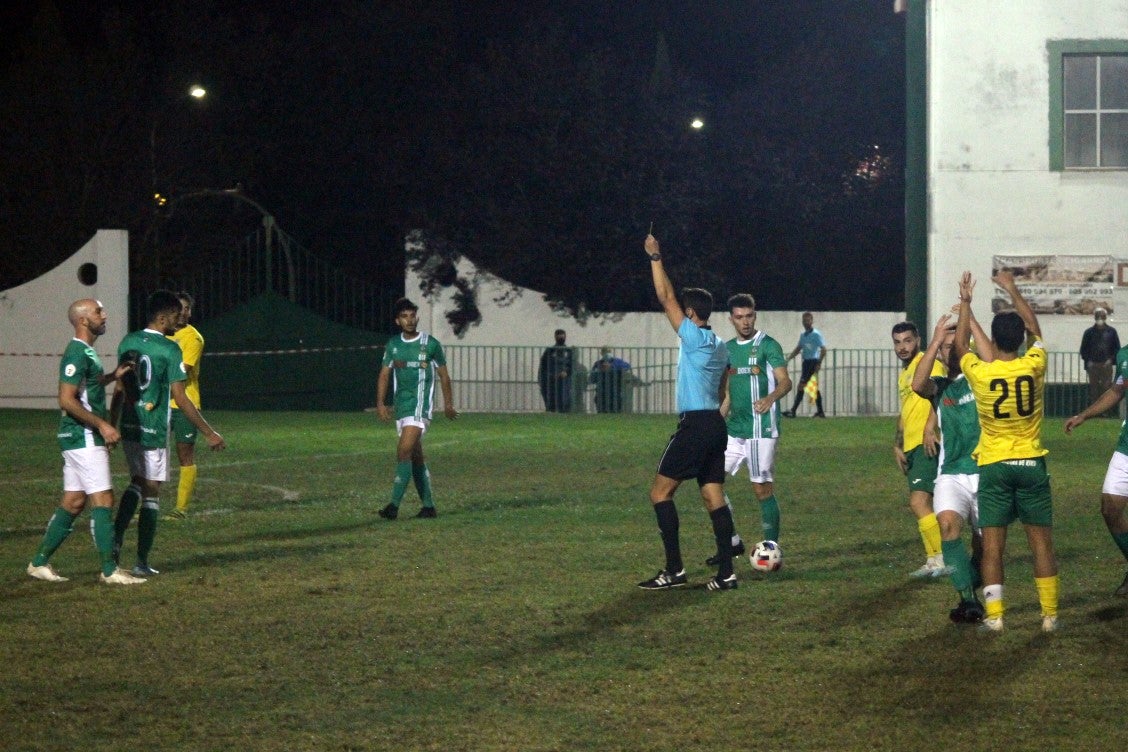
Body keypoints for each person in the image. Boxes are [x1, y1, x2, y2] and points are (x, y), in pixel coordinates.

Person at [954, 269, 1058, 633]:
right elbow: (1036, 330)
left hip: (995, 465)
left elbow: (959, 347)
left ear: (994, 341)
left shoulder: (981, 374)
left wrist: (966, 304)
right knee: (1040, 544)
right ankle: (1048, 616)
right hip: (1030, 461)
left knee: (993, 546)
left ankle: (996, 617)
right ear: (1020, 340)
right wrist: (1012, 289)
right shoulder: (1034, 365)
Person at [636, 233, 736, 592]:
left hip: (694, 424)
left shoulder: (693, 336)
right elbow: (726, 385)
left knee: (660, 494)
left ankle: (674, 570)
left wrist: (655, 256)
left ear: (691, 314)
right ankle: (726, 573)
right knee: (713, 497)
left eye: (685, 311)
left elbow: (665, 297)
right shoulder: (721, 345)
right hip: (714, 424)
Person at [26, 299, 145, 585]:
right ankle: (109, 570)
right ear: (82, 320)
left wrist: (112, 377)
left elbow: (86, 387)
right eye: (98, 312)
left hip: (77, 436)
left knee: (74, 501)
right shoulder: (77, 353)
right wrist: (103, 425)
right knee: (103, 500)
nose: (104, 316)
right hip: (83, 436)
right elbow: (66, 399)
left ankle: (38, 563)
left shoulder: (86, 352)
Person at [112, 290, 226, 576]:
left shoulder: (129, 341)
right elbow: (181, 397)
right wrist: (209, 432)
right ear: (162, 318)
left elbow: (119, 387)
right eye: (177, 315)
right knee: (152, 492)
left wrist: (110, 425)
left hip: (129, 425)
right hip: (153, 427)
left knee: (136, 482)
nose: (181, 320)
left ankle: (115, 542)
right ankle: (141, 562)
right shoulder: (170, 349)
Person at [912, 310, 995, 623]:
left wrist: (970, 316)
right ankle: (969, 600)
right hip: (952, 474)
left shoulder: (981, 378)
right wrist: (934, 340)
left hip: (986, 471)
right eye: (946, 347)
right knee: (947, 525)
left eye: (955, 345)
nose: (950, 350)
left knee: (985, 544)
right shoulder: (939, 386)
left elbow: (989, 359)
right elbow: (917, 384)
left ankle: (970, 582)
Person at [712, 293, 792, 566]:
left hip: (762, 429)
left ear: (755, 315)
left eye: (749, 316)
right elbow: (728, 395)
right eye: (739, 317)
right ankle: (732, 541)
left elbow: (785, 382)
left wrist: (770, 399)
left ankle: (771, 548)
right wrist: (716, 421)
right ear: (731, 318)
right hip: (735, 429)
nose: (745, 322)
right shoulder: (728, 349)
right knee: (711, 482)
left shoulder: (768, 345)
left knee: (762, 490)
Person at [376, 297, 458, 520]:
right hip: (402, 408)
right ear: (397, 321)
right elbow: (384, 374)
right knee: (415, 457)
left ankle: (393, 506)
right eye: (404, 316)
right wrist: (381, 403)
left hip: (420, 408)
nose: (409, 320)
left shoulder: (430, 344)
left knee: (403, 450)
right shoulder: (393, 345)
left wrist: (448, 404)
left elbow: (444, 376)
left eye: (412, 315)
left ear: (417, 317)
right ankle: (429, 507)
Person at [1063, 341, 1128, 598]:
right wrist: (1084, 415)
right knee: (1110, 508)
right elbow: (1117, 390)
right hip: (1126, 447)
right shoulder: (1124, 355)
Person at [892, 320, 949, 579]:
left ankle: (939, 559)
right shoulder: (904, 373)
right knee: (930, 502)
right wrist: (897, 443)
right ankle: (938, 558)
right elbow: (904, 413)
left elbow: (941, 397)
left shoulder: (930, 363)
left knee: (919, 501)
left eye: (907, 341)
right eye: (897, 342)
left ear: (918, 340)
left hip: (928, 443)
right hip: (912, 445)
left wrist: (929, 428)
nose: (903, 347)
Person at [165, 292, 205, 520]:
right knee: (154, 455)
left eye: (187, 308)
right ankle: (148, 506)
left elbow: (184, 370)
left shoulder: (193, 338)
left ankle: (180, 508)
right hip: (161, 403)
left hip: (185, 403)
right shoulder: (163, 335)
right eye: (180, 308)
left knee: (184, 454)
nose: (184, 312)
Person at [783, 312, 826, 418]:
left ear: (812, 321)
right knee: (812, 387)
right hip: (806, 363)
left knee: (801, 386)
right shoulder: (803, 335)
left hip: (812, 362)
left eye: (807, 320)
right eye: (804, 321)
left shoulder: (816, 334)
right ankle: (820, 412)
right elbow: (799, 348)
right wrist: (788, 358)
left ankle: (793, 411)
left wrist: (819, 362)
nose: (805, 322)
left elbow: (823, 349)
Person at [1079, 308, 1120, 411]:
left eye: (1102, 316)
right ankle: (1094, 411)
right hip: (1093, 365)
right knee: (1094, 388)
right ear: (1094, 318)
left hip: (1107, 364)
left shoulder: (1112, 332)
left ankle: (1105, 410)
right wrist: (1088, 361)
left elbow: (1116, 348)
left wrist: (1111, 360)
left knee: (1106, 388)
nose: (1100, 319)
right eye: (1098, 316)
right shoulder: (1088, 332)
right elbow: (1083, 349)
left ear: (1106, 317)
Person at [538, 329, 574, 413]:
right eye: (559, 335)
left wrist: (566, 372)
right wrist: (549, 375)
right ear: (555, 337)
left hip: (565, 381)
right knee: (551, 401)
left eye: (562, 335)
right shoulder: (549, 351)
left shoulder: (569, 351)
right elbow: (543, 365)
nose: (561, 337)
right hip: (551, 381)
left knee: (564, 400)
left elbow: (572, 365)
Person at [589, 346, 632, 413]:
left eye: (608, 352)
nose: (607, 354)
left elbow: (627, 366)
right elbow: (592, 377)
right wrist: (601, 370)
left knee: (615, 412)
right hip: (601, 393)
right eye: (605, 352)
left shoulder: (617, 361)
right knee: (601, 412)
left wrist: (612, 366)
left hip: (614, 393)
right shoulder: (598, 364)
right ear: (601, 353)